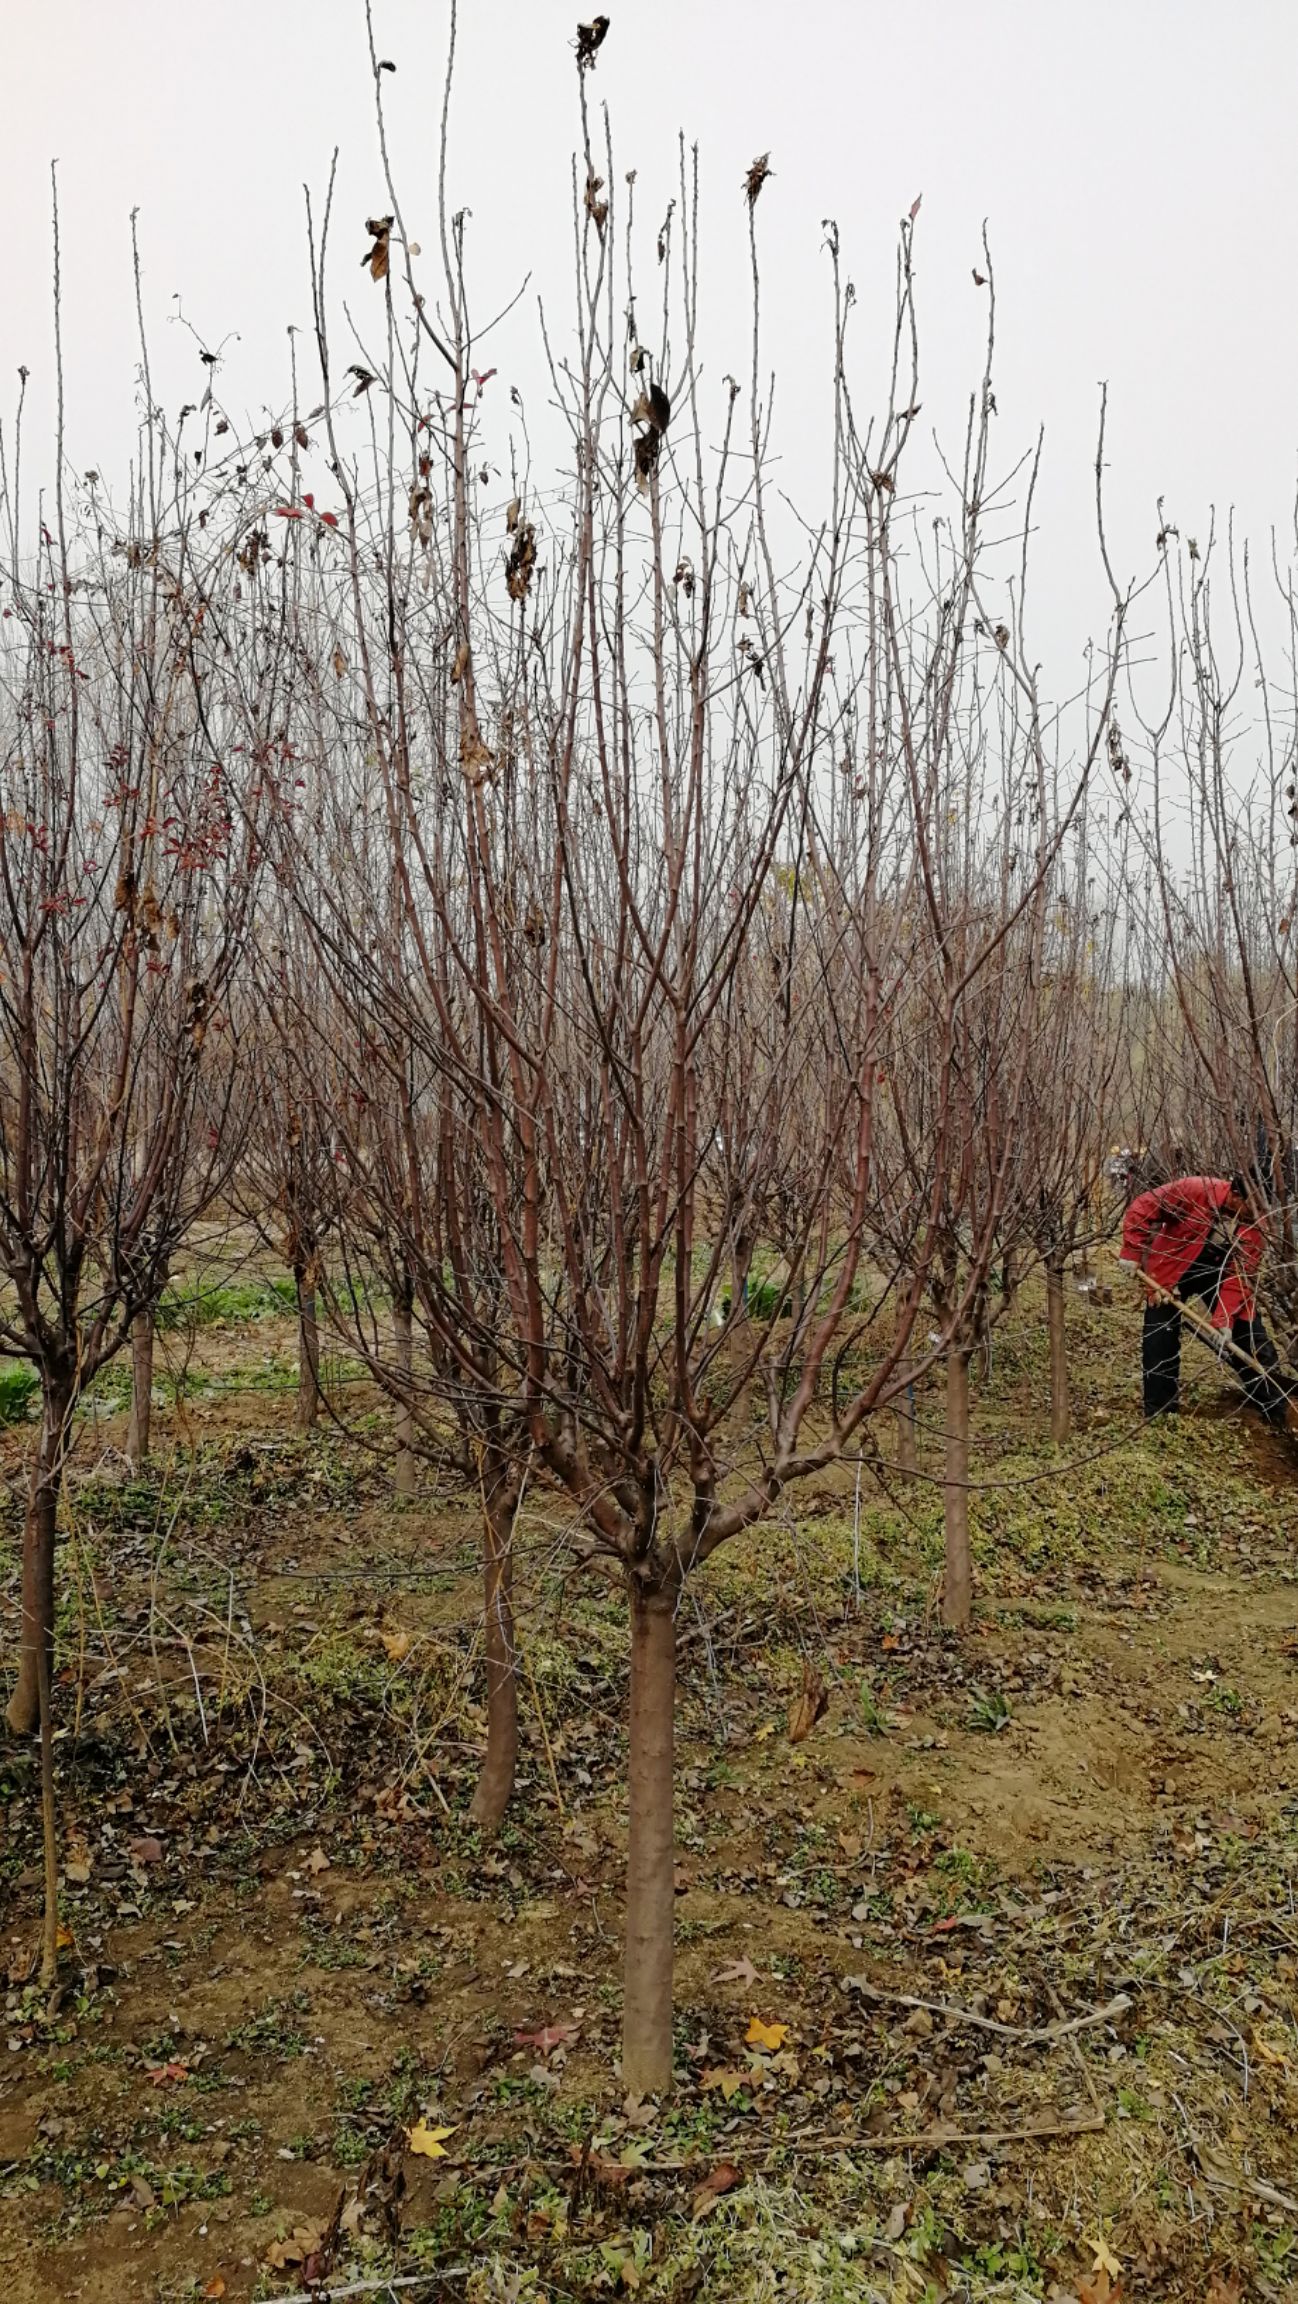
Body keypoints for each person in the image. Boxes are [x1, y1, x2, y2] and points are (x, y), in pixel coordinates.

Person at [1119, 1172, 1290, 1426]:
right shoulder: (1195, 1190)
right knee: (1159, 1337)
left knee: (1251, 1336)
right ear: (1235, 1196)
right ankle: (1161, 1413)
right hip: (1175, 1265)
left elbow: (1241, 1275)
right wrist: (1132, 1251)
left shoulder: (1258, 1225)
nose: (1257, 1213)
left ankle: (1277, 1409)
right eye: (1252, 1205)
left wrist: (1224, 1320)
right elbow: (1145, 1205)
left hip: (1222, 1274)